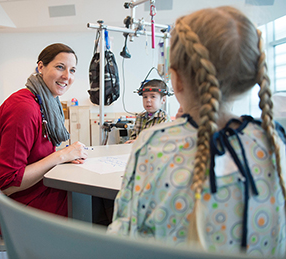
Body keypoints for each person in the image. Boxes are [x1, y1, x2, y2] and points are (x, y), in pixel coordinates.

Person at [108, 6, 286, 257]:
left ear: (176, 80)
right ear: (250, 78)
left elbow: (125, 236)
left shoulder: (154, 145)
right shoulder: (274, 143)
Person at [0, 43, 88, 218]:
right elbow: (8, 184)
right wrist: (61, 156)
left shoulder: (46, 103)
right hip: (18, 207)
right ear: (41, 67)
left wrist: (62, 157)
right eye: (60, 67)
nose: (67, 76)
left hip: (36, 190)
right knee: (96, 205)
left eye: (72, 70)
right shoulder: (24, 108)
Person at [125, 79, 171, 144]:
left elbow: (160, 140)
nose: (148, 100)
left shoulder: (164, 118)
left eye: (153, 96)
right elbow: (133, 137)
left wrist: (140, 141)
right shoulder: (140, 117)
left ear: (163, 100)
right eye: (145, 97)